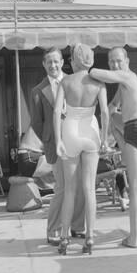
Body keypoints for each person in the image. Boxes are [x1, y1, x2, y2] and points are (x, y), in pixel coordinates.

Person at [89, 46, 137, 248]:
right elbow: (111, 107)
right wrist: (106, 124)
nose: (115, 65)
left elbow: (100, 74)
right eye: (111, 62)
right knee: (115, 123)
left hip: (136, 127)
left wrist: (88, 70)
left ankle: (133, 238)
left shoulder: (128, 76)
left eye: (118, 60)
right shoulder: (124, 85)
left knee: (135, 188)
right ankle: (111, 142)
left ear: (127, 61)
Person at [54, 43, 109, 255]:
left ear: (74, 61)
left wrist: (58, 139)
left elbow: (57, 111)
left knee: (70, 189)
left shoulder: (66, 81)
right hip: (91, 132)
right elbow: (104, 112)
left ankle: (64, 238)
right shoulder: (99, 82)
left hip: (69, 132)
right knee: (89, 189)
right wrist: (104, 139)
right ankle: (90, 237)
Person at [30, 47, 86, 246]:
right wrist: (49, 140)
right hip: (55, 145)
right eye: (49, 62)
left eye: (56, 61)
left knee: (79, 185)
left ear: (63, 62)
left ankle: (77, 227)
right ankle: (53, 229)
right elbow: (37, 123)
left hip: (77, 141)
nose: (53, 65)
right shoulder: (37, 91)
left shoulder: (76, 81)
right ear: (44, 64)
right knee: (62, 188)